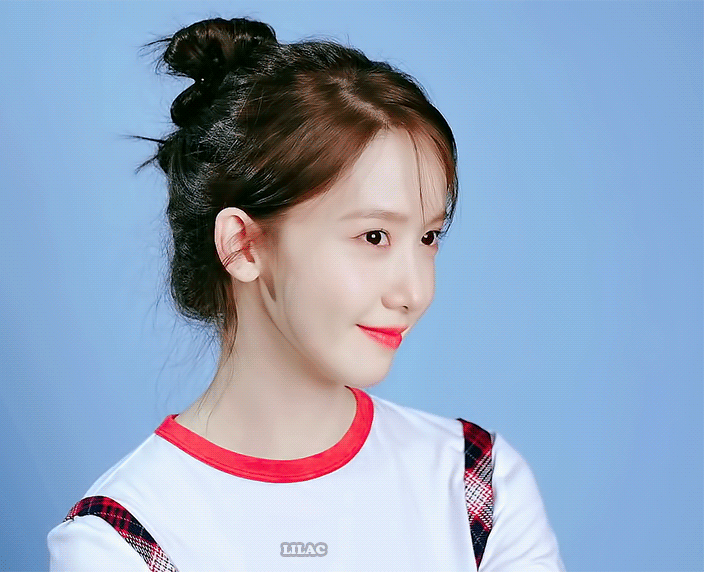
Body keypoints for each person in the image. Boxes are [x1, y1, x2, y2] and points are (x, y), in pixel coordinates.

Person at [47, 16, 565, 571]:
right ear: (244, 245)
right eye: (374, 237)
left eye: (428, 237)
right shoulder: (124, 539)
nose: (416, 291)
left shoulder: (476, 488)